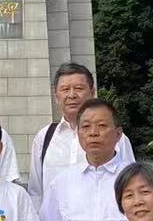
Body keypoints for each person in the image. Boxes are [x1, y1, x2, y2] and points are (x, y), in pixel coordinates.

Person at [29, 62, 135, 204]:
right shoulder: (44, 137)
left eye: (78, 88)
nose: (72, 95)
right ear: (56, 96)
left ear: (92, 93)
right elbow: (36, 192)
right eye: (65, 89)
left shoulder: (116, 138)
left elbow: (131, 185)